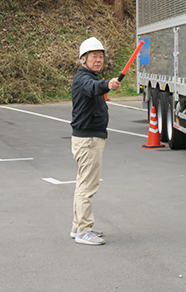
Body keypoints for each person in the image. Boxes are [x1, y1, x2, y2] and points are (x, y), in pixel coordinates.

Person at [70, 36, 121, 245]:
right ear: (83, 59)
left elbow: (96, 86)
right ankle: (83, 230)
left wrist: (104, 84)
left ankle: (78, 227)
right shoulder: (83, 79)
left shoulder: (88, 76)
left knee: (84, 184)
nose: (98, 60)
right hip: (88, 140)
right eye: (94, 57)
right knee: (87, 186)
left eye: (101, 57)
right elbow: (94, 88)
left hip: (89, 138)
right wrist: (107, 84)